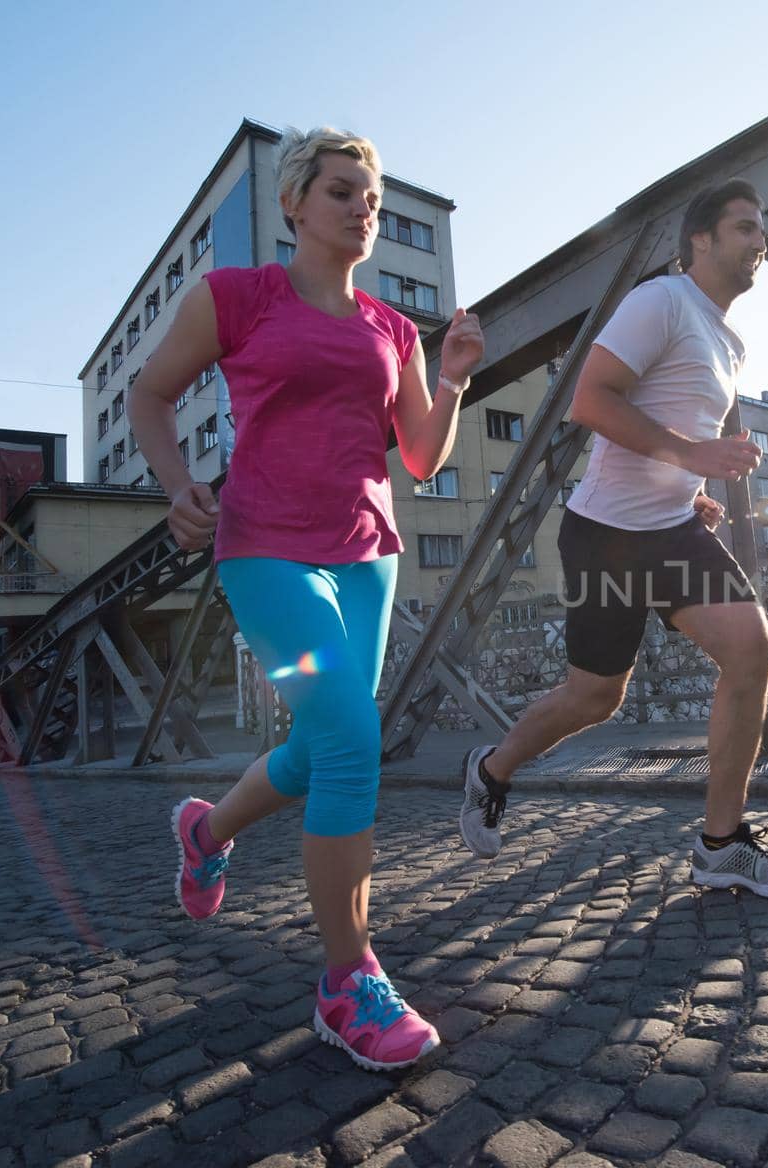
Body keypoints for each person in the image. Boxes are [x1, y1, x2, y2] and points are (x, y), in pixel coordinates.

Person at [130, 126, 484, 1071]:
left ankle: (205, 830)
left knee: (316, 745)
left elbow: (418, 456)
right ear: (294, 205)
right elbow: (150, 396)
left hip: (367, 554)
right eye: (342, 193)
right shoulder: (237, 298)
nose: (362, 209)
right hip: (265, 550)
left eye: (371, 199)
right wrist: (175, 488)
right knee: (348, 739)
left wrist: (449, 381)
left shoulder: (392, 327)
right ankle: (346, 981)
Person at [456, 180, 768, 898]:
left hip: (672, 532)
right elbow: (591, 400)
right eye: (744, 228)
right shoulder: (661, 301)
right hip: (606, 540)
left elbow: (668, 426)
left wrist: (694, 486)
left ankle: (721, 845)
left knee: (753, 652)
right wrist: (694, 456)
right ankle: (492, 769)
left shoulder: (728, 339)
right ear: (700, 240)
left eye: (761, 232)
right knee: (595, 699)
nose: (758, 243)